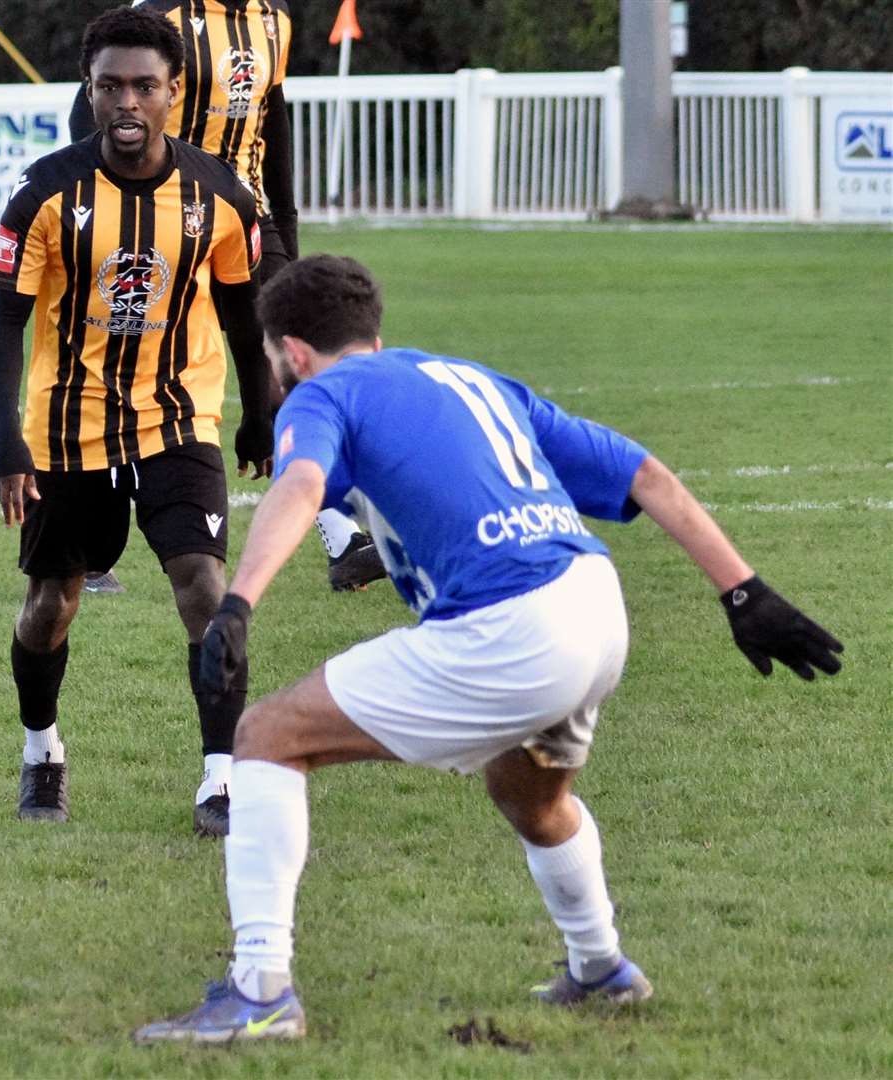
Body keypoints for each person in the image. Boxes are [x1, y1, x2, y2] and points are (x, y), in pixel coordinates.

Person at [134, 255, 844, 1042]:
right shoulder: (470, 378)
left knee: (266, 735)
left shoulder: (323, 392)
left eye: (269, 363)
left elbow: (300, 486)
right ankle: (602, 968)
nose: (272, 378)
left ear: (292, 353)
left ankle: (260, 991)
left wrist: (237, 603)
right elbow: (642, 473)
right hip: (596, 609)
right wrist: (743, 591)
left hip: (512, 630)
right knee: (531, 795)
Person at [0, 6, 277, 837]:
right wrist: (7, 440)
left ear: (175, 92)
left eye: (145, 85)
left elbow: (242, 310)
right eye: (111, 84)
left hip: (180, 416)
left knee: (205, 589)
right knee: (51, 606)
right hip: (68, 429)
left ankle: (222, 778)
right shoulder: (43, 193)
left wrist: (260, 413)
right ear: (90, 88)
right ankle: (43, 755)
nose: (127, 102)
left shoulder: (220, 194)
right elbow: (4, 323)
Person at [68, 0, 385, 596]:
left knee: (294, 364)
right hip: (161, 225)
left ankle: (343, 535)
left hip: (249, 222)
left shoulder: (274, 18)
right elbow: (87, 113)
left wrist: (285, 232)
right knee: (123, 364)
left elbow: (274, 123)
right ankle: (87, 540)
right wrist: (109, 208)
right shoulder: (159, 15)